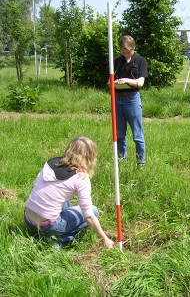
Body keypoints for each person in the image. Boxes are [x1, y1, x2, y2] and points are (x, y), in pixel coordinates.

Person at [24, 137, 114, 249]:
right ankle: (59, 241)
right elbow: (89, 215)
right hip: (46, 225)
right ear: (90, 157)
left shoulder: (51, 163)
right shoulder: (81, 178)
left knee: (62, 198)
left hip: (28, 217)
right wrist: (105, 239)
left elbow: (35, 186)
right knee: (94, 211)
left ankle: (42, 235)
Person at [113, 35, 148, 167]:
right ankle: (122, 163)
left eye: (128, 52)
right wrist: (114, 82)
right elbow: (109, 81)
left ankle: (141, 163)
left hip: (132, 100)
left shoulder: (141, 61)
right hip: (117, 100)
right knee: (120, 135)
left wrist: (127, 81)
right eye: (123, 52)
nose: (126, 54)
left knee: (137, 135)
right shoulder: (116, 62)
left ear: (134, 48)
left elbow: (140, 82)